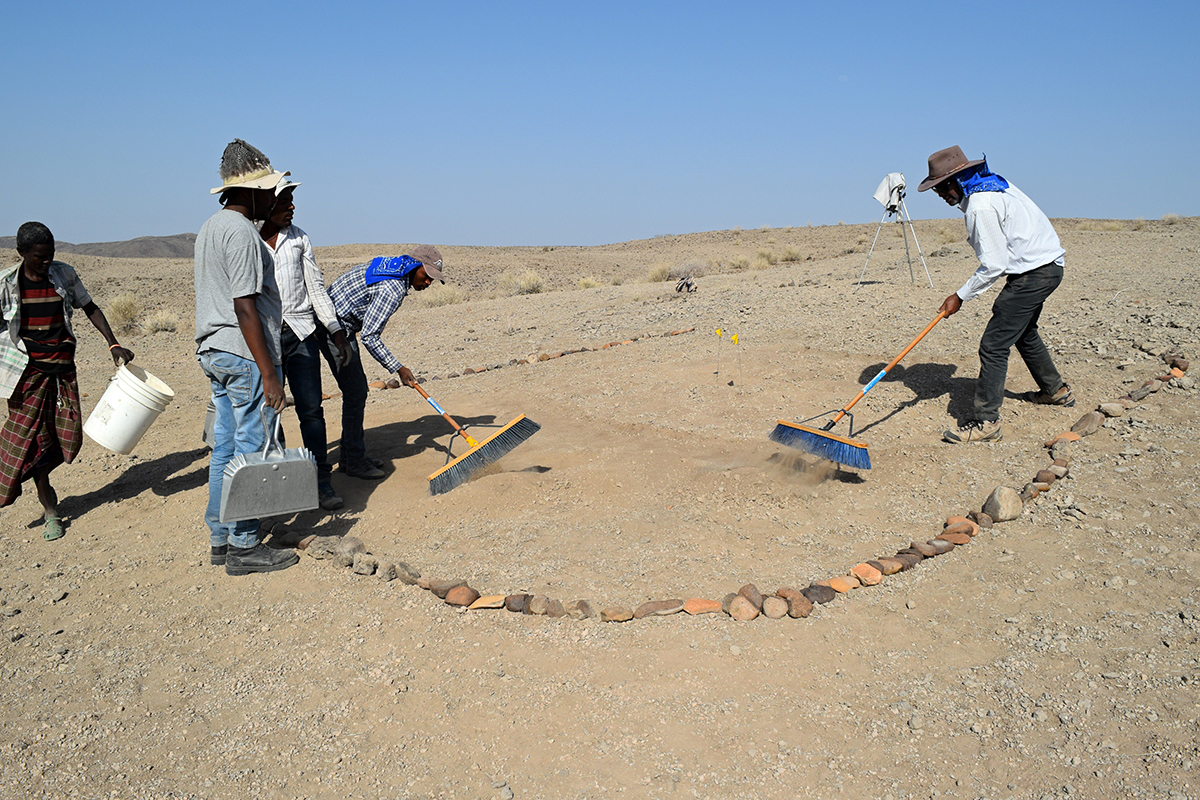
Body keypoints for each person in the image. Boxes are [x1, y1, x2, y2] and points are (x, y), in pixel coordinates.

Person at [918, 146, 1074, 444]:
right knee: (1024, 332)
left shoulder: (980, 205)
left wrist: (960, 296)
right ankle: (1055, 391)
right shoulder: (994, 184)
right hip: (1046, 266)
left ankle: (986, 421)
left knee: (993, 344)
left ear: (959, 179)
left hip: (1035, 273)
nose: (940, 195)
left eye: (942, 187)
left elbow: (994, 264)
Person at [195, 139, 298, 575]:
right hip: (242, 355)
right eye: (267, 190)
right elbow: (244, 307)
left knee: (225, 448)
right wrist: (269, 371)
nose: (273, 197)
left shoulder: (210, 227)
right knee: (251, 446)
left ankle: (220, 535)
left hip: (215, 351)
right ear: (251, 191)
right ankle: (244, 545)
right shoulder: (240, 233)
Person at [0, 222, 135, 541]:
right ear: (21, 254)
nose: (46, 262)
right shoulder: (6, 284)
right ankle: (50, 511)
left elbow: (90, 307)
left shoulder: (65, 274)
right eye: (39, 257)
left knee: (67, 439)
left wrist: (113, 344)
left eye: (50, 255)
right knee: (34, 442)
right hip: (25, 375)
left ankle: (26, 469)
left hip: (62, 371)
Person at [259, 180, 351, 510]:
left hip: (300, 334)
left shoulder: (299, 239)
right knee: (269, 415)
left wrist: (335, 331)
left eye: (292, 201)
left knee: (312, 411)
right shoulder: (250, 239)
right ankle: (280, 484)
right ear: (267, 204)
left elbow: (316, 289)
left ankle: (320, 481)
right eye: (285, 202)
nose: (292, 207)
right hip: (265, 339)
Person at [325, 247, 444, 478]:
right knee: (356, 392)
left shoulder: (394, 266)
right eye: (427, 275)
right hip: (334, 327)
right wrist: (399, 368)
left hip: (335, 320)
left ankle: (351, 457)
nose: (428, 282)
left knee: (355, 392)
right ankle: (354, 461)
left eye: (433, 278)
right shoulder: (393, 288)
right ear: (415, 266)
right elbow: (370, 335)